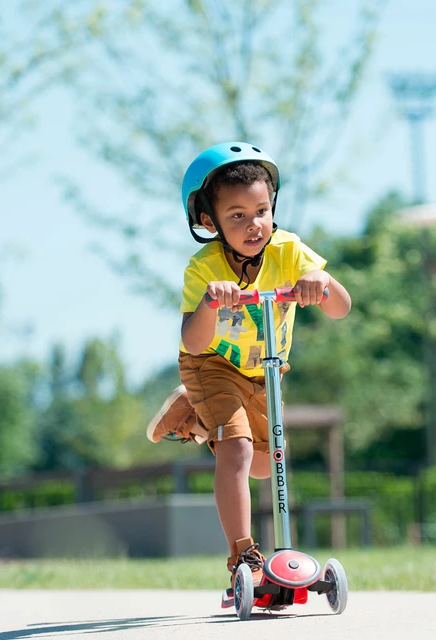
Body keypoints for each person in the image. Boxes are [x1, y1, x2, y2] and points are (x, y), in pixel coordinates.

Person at [146, 141, 351, 603]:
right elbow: (192, 341)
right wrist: (210, 303)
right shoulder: (204, 267)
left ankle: (196, 418)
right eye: (236, 215)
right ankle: (244, 556)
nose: (253, 224)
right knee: (236, 451)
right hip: (211, 365)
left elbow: (342, 307)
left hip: (265, 371)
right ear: (207, 221)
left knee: (264, 465)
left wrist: (322, 283)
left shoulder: (289, 249)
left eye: (261, 210)